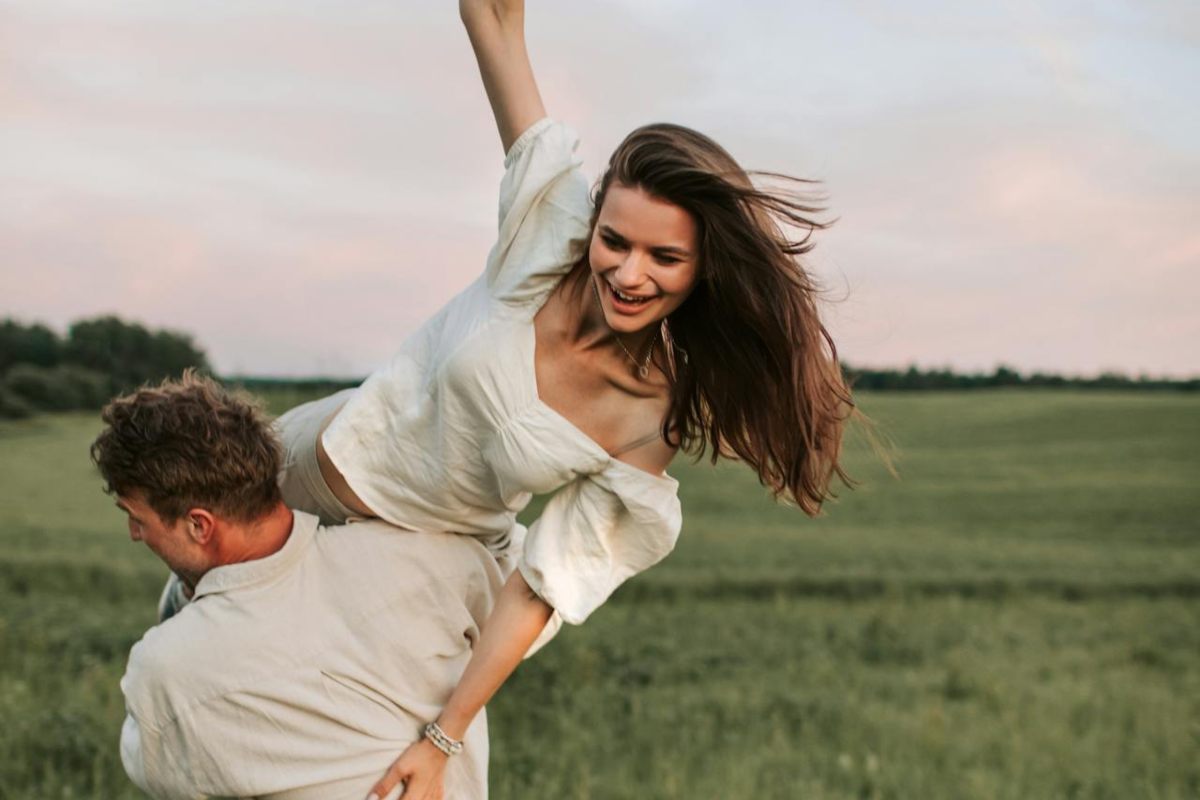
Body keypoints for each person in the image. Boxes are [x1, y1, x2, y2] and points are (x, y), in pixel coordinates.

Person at [160, 0, 875, 796]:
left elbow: (543, 584)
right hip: (313, 457)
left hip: (411, 560)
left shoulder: (648, 422)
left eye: (664, 257)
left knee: (336, 748)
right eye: (616, 240)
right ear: (593, 221)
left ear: (703, 268)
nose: (628, 273)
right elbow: (494, 22)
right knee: (182, 636)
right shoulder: (550, 230)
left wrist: (443, 734)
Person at [95, 374, 503, 799]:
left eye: (137, 517)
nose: (134, 533)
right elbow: (521, 595)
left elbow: (156, 769)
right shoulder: (429, 560)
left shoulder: (168, 668)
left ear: (200, 525)